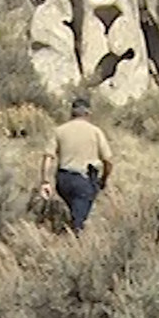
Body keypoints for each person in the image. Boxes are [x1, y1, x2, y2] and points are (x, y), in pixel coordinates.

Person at [40, 96, 113, 234]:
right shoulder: (95, 131)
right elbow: (108, 160)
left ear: (71, 113)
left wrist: (45, 181)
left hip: (63, 179)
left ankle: (64, 235)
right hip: (84, 180)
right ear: (88, 113)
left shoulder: (59, 130)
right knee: (79, 223)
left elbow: (48, 157)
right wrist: (104, 179)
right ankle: (74, 245)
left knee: (75, 212)